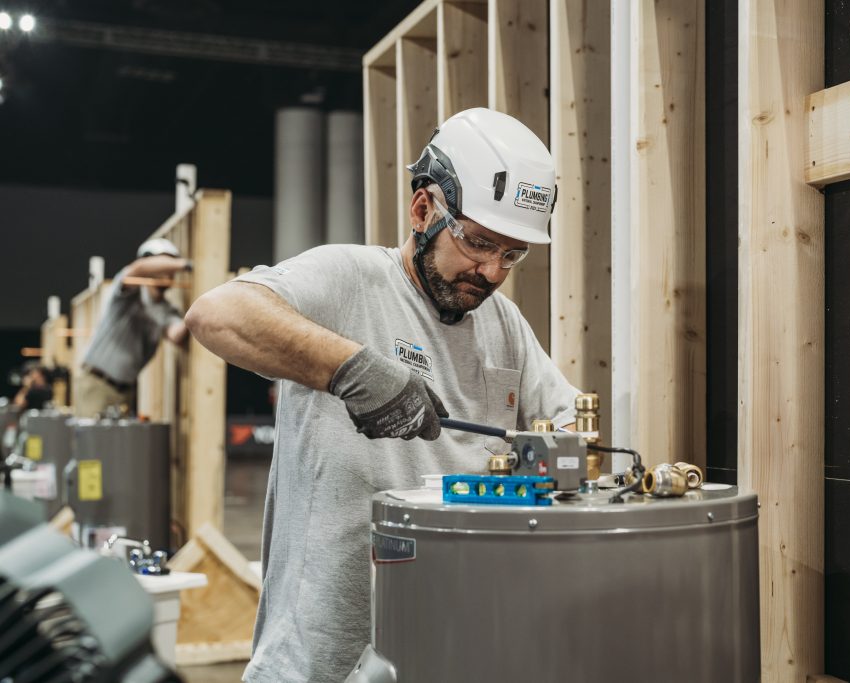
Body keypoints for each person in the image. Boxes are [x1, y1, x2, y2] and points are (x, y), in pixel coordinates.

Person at [185, 108, 579, 681]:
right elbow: (217, 314)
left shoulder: (504, 325)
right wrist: (351, 368)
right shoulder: (349, 279)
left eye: (513, 254)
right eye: (479, 242)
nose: (493, 271)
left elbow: (567, 423)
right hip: (321, 657)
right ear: (424, 209)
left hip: (443, 647)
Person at [73, 238, 191, 418]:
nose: (168, 271)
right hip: (97, 384)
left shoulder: (165, 310)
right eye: (163, 263)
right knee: (92, 444)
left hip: (124, 391)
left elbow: (176, 334)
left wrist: (197, 314)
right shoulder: (127, 294)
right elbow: (137, 269)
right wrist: (184, 264)